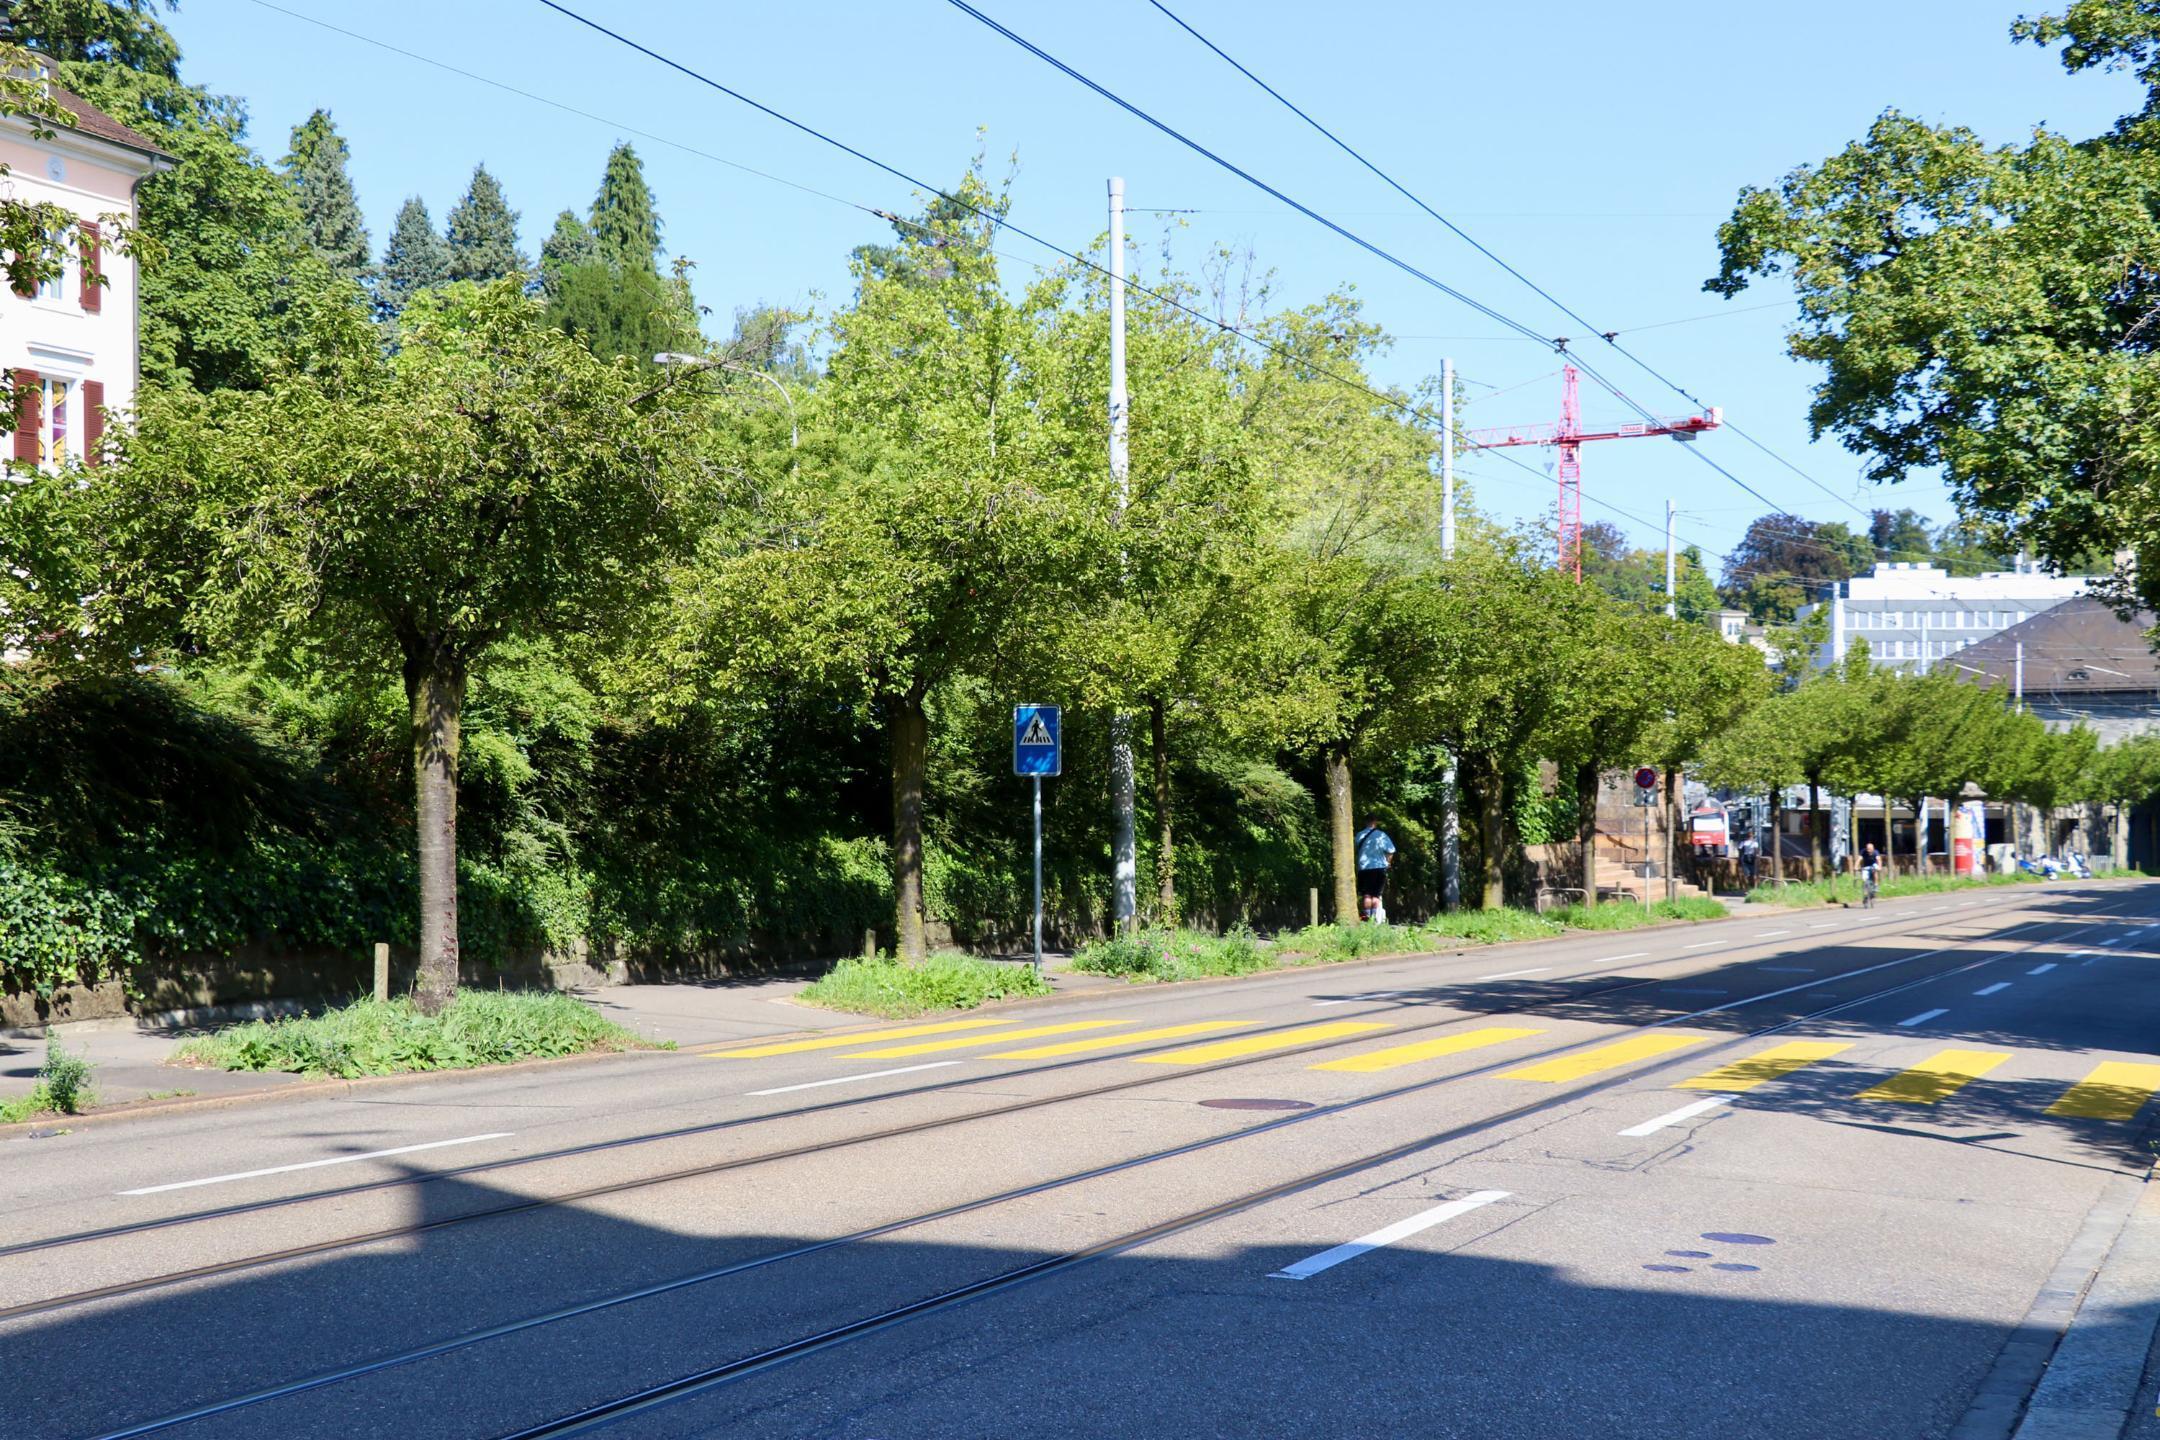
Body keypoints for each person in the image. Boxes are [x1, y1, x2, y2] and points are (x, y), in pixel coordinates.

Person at [1354, 816, 1396, 923]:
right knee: (1376, 895)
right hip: (1378, 868)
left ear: (1366, 822)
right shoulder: (1381, 835)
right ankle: (1374, 918)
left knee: (1366, 895)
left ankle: (1367, 918)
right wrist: (1388, 863)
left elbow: (1355, 849)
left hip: (1364, 868)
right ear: (1375, 822)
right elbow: (1391, 851)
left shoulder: (1359, 835)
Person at [1858, 841, 1884, 907]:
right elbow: (1859, 859)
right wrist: (1855, 866)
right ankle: (1865, 896)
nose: (1868, 850)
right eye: (1867, 849)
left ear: (1873, 849)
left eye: (1870, 849)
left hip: (1873, 865)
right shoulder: (1863, 852)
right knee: (1864, 881)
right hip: (1866, 866)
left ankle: (1876, 885)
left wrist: (1880, 867)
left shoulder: (1876, 852)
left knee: (1875, 870)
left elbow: (1879, 860)